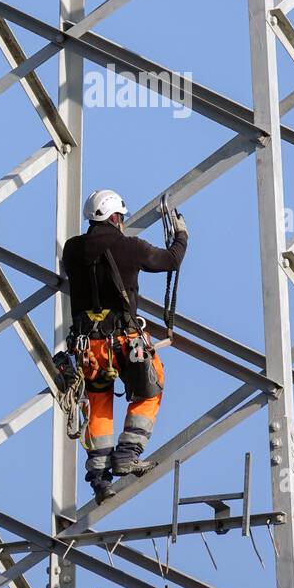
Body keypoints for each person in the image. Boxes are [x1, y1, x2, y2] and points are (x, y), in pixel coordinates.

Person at [61, 189, 188, 504]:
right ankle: (128, 453)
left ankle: (100, 478)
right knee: (152, 386)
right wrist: (182, 236)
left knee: (98, 402)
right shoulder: (129, 247)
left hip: (87, 349)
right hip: (123, 342)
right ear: (115, 217)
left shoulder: (72, 249)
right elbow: (170, 260)